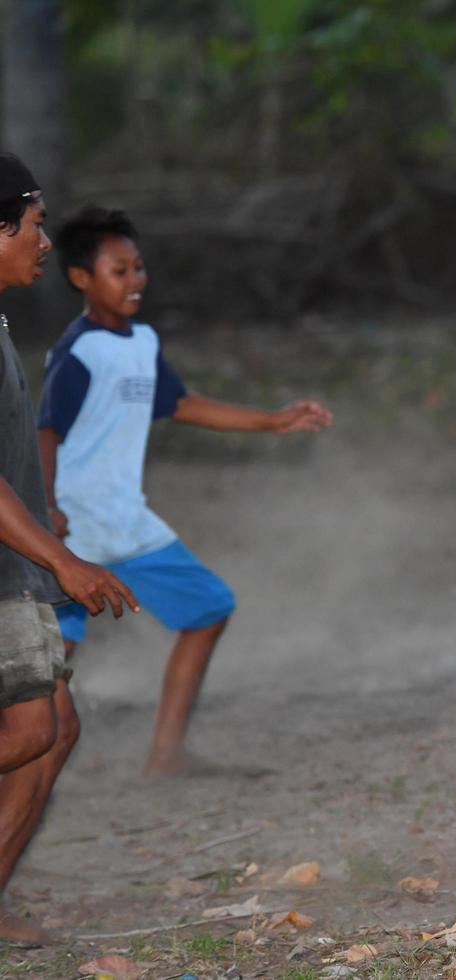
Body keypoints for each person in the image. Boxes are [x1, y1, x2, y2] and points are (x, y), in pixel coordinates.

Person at [36, 205, 333, 777]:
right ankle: (28, 760)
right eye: (119, 271)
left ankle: (166, 755)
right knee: (50, 656)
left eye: (139, 268)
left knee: (207, 608)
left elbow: (180, 405)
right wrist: (47, 507)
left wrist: (272, 421)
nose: (135, 280)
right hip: (75, 529)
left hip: (127, 523)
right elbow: (46, 430)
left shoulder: (141, 341)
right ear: (81, 278)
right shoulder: (79, 351)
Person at [0, 152, 139, 944]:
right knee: (29, 732)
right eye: (34, 223)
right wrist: (63, 561)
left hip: (16, 564)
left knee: (53, 728)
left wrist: (45, 531)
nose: (45, 241)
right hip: (12, 568)